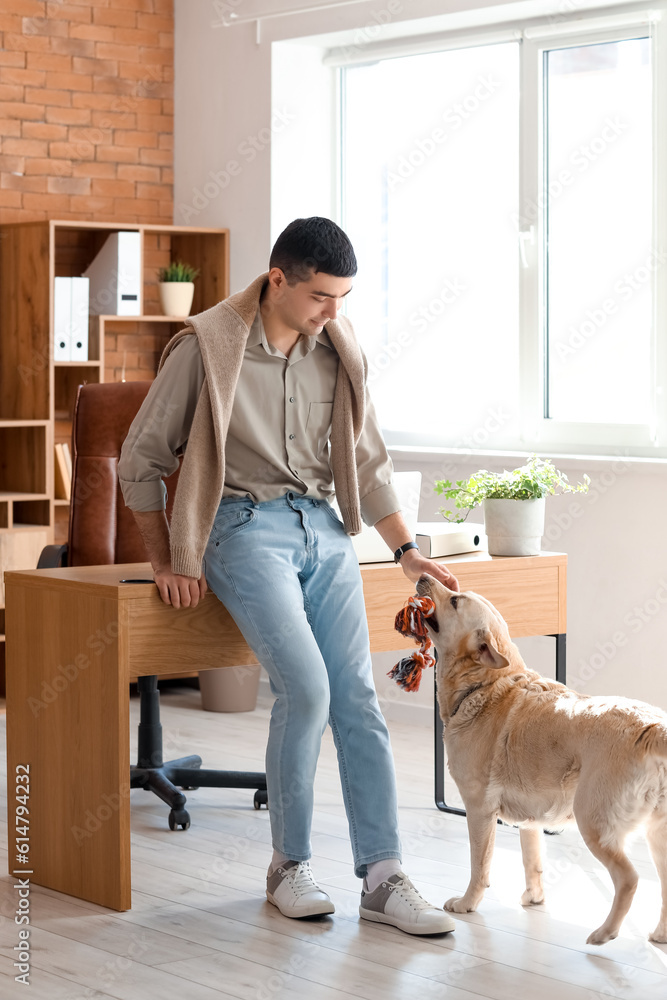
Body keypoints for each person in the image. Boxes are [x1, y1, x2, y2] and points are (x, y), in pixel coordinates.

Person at [118, 217, 460, 936]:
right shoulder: (208, 347)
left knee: (357, 698)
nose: (333, 311)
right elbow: (140, 461)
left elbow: (366, 463)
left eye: (344, 297)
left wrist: (406, 550)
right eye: (320, 296)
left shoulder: (335, 348)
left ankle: (382, 875)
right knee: (306, 688)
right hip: (242, 528)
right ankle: (288, 866)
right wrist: (166, 558)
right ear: (278, 280)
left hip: (324, 529)